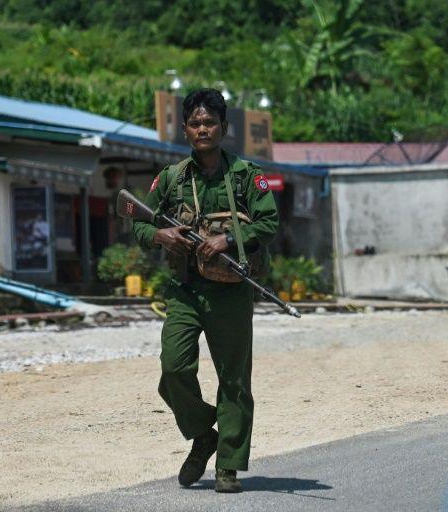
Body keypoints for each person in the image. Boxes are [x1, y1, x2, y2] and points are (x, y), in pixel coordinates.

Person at [132, 88, 278, 492]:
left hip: (231, 292)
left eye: (210, 122)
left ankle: (227, 466)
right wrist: (161, 235)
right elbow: (139, 222)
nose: (203, 129)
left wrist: (228, 240)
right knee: (174, 369)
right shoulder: (173, 178)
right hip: (185, 290)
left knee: (234, 379)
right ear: (185, 130)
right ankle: (203, 434)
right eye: (195, 123)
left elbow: (268, 223)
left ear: (224, 128)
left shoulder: (247, 176)